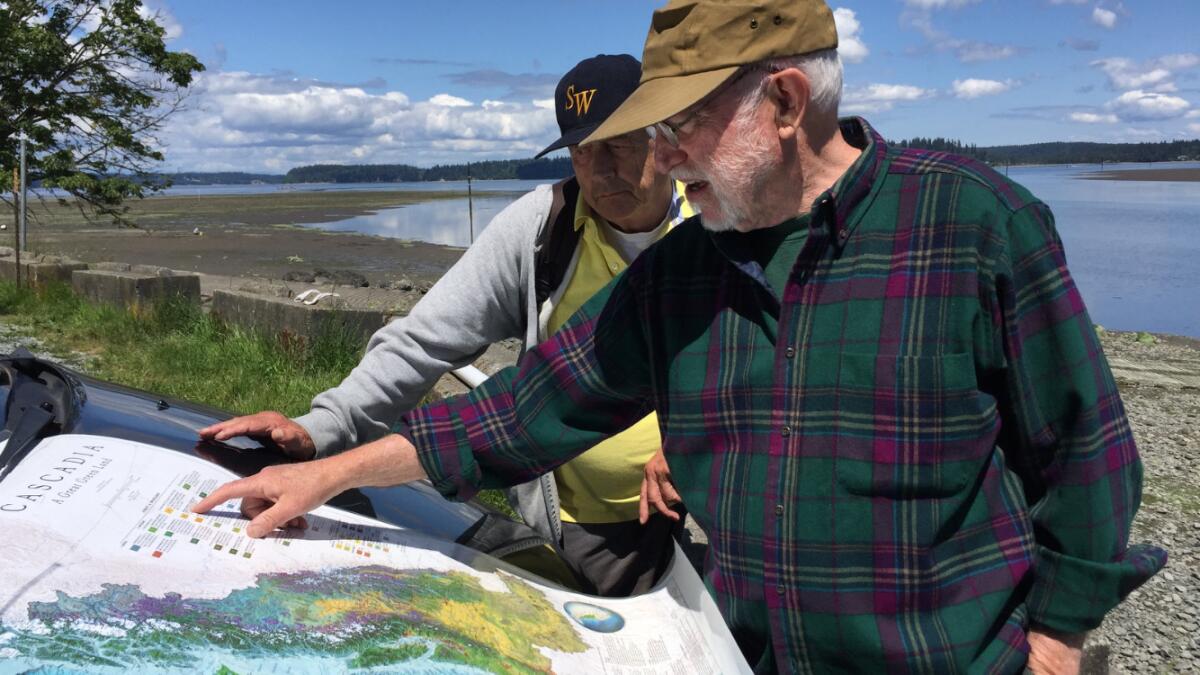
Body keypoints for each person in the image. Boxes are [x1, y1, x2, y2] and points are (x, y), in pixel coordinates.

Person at [195, 0, 1167, 671]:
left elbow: (1088, 456)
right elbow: (518, 413)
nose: (659, 157)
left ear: (784, 104)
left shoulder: (972, 225)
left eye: (681, 125)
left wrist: (1056, 640)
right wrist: (327, 468)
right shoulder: (681, 274)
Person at [198, 53, 694, 597]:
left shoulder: (720, 220)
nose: (601, 170)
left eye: (619, 142)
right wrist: (323, 428)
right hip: (581, 526)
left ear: (664, 136)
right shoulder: (543, 228)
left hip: (715, 515)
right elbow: (422, 342)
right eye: (581, 150)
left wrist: (702, 433)